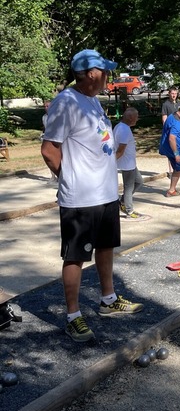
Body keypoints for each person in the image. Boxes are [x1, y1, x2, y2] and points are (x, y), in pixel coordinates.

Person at [41, 49, 144, 343]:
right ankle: (73, 316)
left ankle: (107, 299)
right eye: (106, 71)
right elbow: (49, 150)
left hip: (106, 192)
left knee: (106, 246)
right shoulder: (66, 103)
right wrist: (71, 179)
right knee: (75, 256)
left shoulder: (93, 101)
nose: (109, 77)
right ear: (90, 74)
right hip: (81, 198)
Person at [114, 107, 145, 219]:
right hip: (127, 164)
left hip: (130, 163)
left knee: (139, 182)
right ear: (130, 117)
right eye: (136, 117)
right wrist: (110, 163)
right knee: (129, 187)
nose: (137, 119)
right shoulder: (124, 130)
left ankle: (122, 201)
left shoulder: (121, 126)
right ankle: (129, 210)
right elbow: (120, 150)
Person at [41, 99, 58, 184]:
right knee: (49, 158)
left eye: (48, 106)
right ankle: (53, 176)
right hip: (48, 140)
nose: (46, 108)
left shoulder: (56, 116)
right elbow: (45, 128)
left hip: (56, 140)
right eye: (45, 106)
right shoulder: (44, 117)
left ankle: (60, 176)